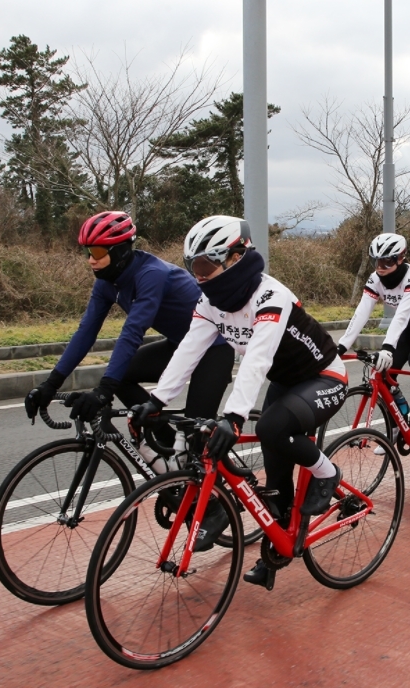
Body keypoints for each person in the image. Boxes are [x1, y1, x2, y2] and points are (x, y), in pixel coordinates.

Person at [130, 216, 348, 583]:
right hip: (286, 383)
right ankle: (279, 549)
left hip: (323, 377)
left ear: (235, 257)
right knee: (276, 490)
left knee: (272, 427)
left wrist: (232, 417)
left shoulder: (270, 296)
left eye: (204, 266)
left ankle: (327, 473)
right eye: (192, 267)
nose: (198, 276)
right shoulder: (210, 301)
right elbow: (189, 350)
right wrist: (157, 400)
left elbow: (257, 359)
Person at [23, 211, 234, 471]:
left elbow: (132, 332)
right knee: (122, 376)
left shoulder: (152, 274)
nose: (91, 260)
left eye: (98, 252)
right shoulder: (107, 282)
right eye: (87, 252)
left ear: (121, 250)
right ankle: (170, 449)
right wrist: (50, 384)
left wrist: (103, 391)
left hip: (214, 349)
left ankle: (212, 506)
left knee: (193, 437)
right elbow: (86, 332)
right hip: (181, 345)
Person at [336, 233, 410, 467]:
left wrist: (387, 348)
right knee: (384, 375)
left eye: (387, 262)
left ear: (401, 258)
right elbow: (361, 313)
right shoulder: (375, 279)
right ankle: (400, 425)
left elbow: (401, 316)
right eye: (376, 262)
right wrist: (340, 346)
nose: (381, 267)